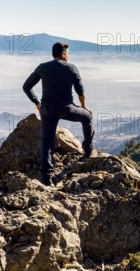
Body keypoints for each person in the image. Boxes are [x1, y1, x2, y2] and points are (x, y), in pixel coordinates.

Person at [22, 41, 95, 186]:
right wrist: (84, 107)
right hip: (66, 108)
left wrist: (37, 103)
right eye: (68, 53)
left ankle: (47, 178)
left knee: (46, 142)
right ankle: (88, 152)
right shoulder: (71, 68)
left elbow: (26, 86)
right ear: (63, 54)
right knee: (88, 117)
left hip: (47, 110)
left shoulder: (43, 67)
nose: (68, 56)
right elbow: (81, 92)